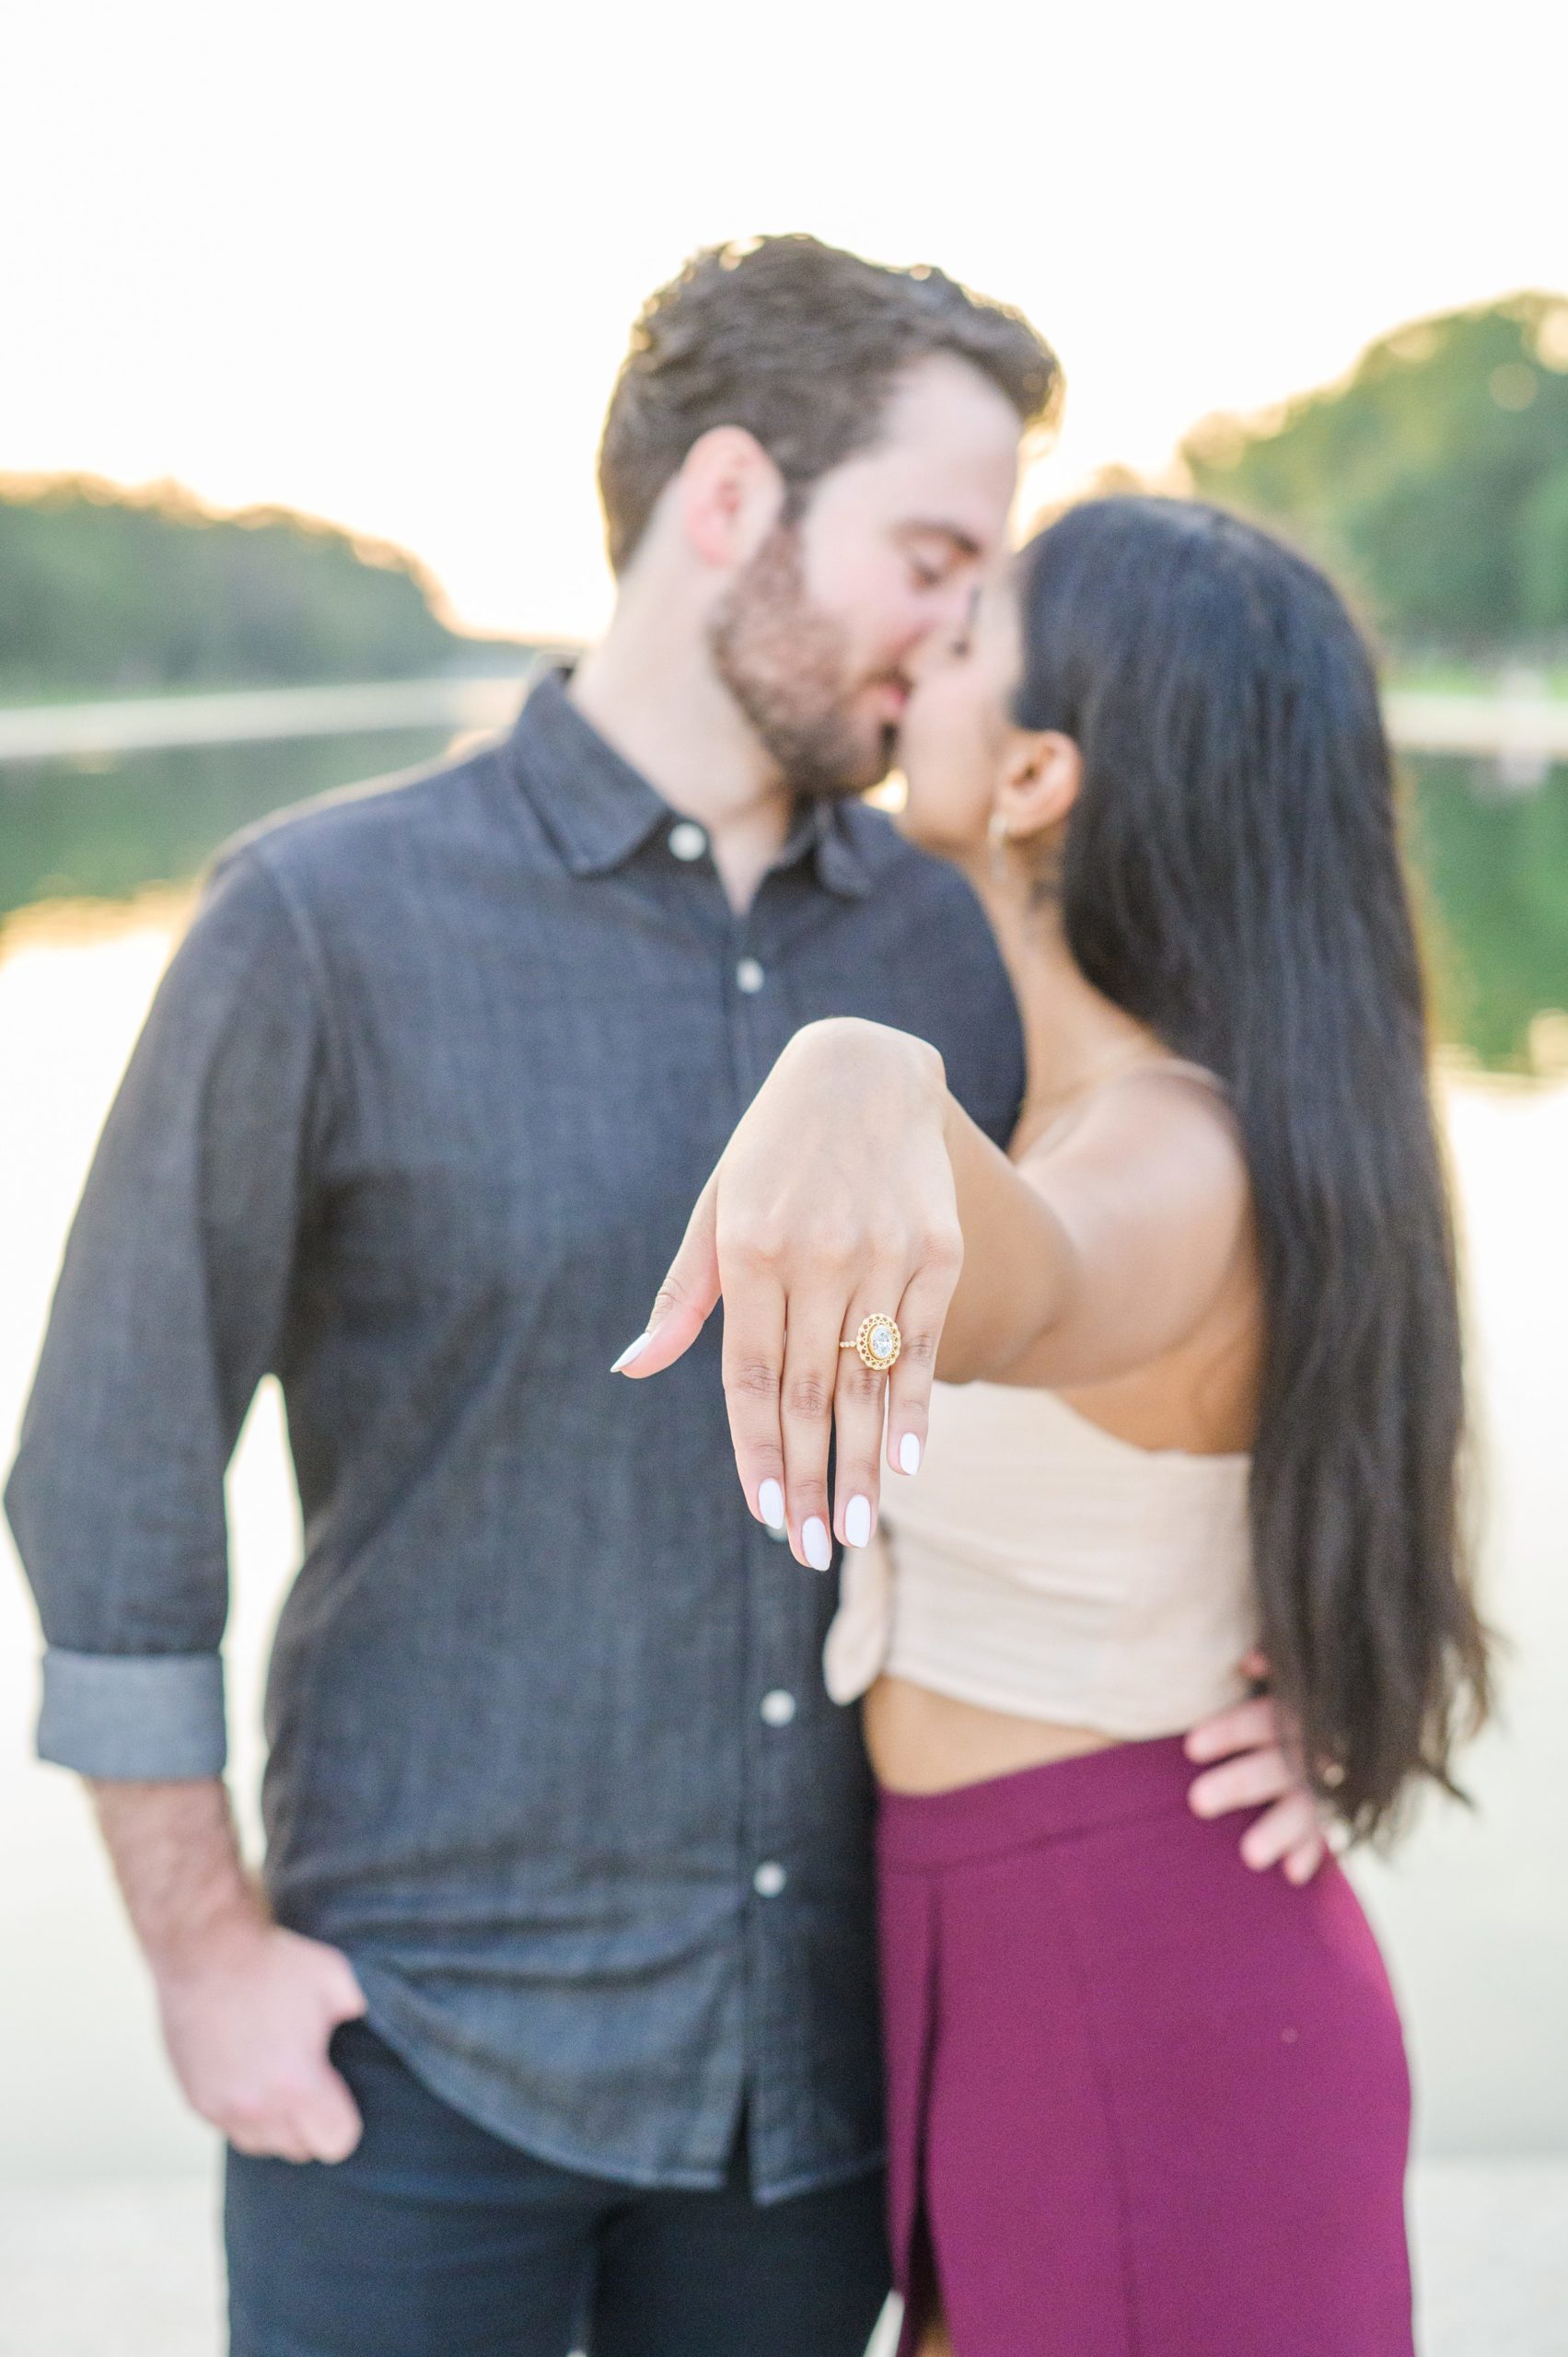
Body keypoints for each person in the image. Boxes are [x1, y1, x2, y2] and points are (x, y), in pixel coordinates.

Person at [9, 244, 1304, 2357]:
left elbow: (1193, 1280)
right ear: (729, 505)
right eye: (929, 552)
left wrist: (1291, 1645)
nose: (961, 628)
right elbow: (109, 1467)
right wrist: (202, 1953)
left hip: (823, 2091)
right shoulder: (314, 924)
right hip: (415, 2062)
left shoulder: (970, 949)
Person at [625, 496, 1493, 2356]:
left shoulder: (1170, 1158)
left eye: (963, 634)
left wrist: (856, 1067)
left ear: (1033, 772)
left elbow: (1034, 1279)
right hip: (1034, 1957)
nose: (913, 649)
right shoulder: (1142, 1109)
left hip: (1142, 1994)